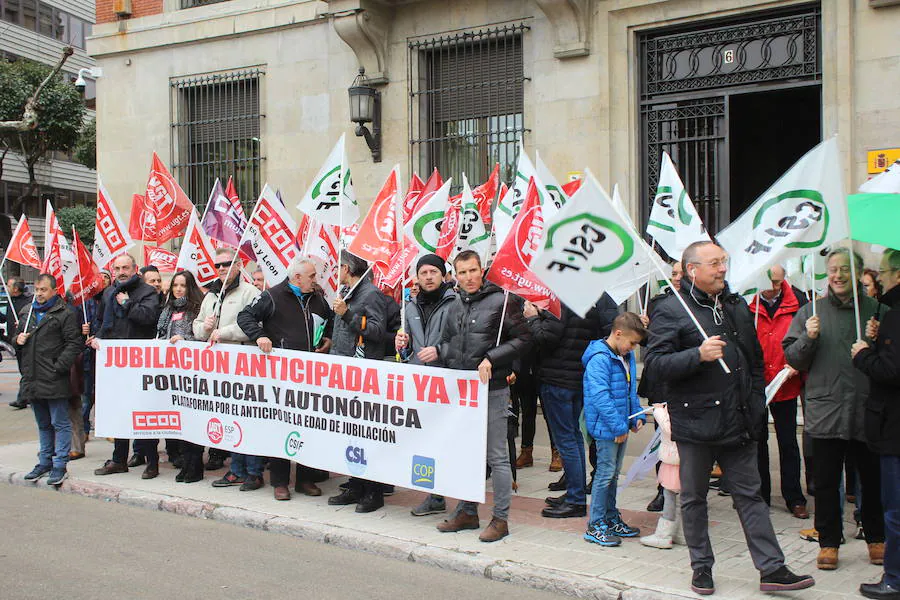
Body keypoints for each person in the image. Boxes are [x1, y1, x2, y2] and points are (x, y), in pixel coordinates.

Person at [645, 240, 814, 595]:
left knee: (750, 496)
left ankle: (772, 568)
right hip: (694, 423)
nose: (723, 269)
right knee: (693, 498)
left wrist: (755, 403)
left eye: (724, 262)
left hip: (737, 420)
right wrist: (697, 355)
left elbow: (753, 361)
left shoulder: (736, 305)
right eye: (715, 264)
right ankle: (701, 568)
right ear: (693, 270)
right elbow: (657, 367)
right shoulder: (670, 309)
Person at [783, 247, 883, 571]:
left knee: (871, 479)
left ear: (857, 274)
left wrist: (879, 341)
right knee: (825, 482)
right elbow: (793, 359)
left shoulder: (877, 312)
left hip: (867, 409)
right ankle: (828, 542)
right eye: (833, 269)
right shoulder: (810, 312)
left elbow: (891, 363)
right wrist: (809, 338)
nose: (838, 275)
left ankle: (876, 537)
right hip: (826, 411)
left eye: (845, 270)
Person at [433, 250, 531, 542]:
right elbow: (448, 342)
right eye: (462, 273)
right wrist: (442, 356)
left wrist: (491, 358)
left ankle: (500, 519)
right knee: (466, 453)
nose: (468, 278)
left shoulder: (502, 300)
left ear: (482, 270)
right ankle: (467, 512)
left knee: (497, 456)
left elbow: (525, 339)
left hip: (494, 389)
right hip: (463, 392)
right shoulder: (454, 304)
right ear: (456, 275)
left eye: (473, 270)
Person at [238, 258, 333, 501]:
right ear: (296, 277)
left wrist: (328, 338)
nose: (316, 280)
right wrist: (259, 336)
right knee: (282, 427)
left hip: (310, 374)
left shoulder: (317, 297)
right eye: (311, 276)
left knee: (308, 426)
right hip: (281, 376)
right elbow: (245, 317)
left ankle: (305, 479)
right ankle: (280, 482)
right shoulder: (273, 296)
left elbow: (330, 321)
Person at [528, 299, 607, 519]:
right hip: (575, 377)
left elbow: (546, 338)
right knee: (573, 437)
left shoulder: (560, 303)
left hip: (557, 379)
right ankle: (576, 491)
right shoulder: (589, 303)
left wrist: (533, 318)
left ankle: (575, 500)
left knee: (567, 441)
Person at [852, 248, 900, 599]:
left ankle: (894, 579)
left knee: (895, 509)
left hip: (894, 427)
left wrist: (863, 353)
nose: (880, 277)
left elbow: (890, 371)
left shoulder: (896, 314)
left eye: (884, 271)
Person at [327, 251, 391, 512]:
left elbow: (376, 331)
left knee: (366, 432)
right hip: (344, 368)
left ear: (347, 267)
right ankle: (355, 483)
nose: (334, 271)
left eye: (337, 267)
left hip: (363, 371)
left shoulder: (371, 293)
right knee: (350, 433)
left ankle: (373, 491)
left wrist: (347, 314)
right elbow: (343, 329)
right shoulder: (347, 290)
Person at [395, 253, 457, 517]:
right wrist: (402, 345)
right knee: (426, 442)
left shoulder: (455, 302)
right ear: (417, 278)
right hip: (420, 384)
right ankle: (435, 496)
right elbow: (407, 351)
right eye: (424, 272)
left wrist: (441, 351)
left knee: (451, 442)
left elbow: (466, 342)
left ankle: (463, 499)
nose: (429, 276)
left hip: (449, 382)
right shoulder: (409, 306)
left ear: (443, 275)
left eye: (434, 271)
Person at [194, 248, 262, 483]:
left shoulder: (250, 292)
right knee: (230, 418)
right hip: (218, 367)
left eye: (226, 264)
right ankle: (236, 469)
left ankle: (253, 472)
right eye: (217, 265)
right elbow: (198, 325)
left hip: (244, 364)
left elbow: (254, 325)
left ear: (239, 265)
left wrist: (223, 332)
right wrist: (204, 329)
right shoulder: (211, 295)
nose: (221, 269)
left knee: (247, 419)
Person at [91, 254, 161, 478]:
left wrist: (127, 303)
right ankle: (118, 459)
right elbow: (101, 322)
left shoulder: (146, 292)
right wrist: (96, 338)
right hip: (115, 366)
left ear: (135, 269)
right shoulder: (110, 292)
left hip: (140, 364)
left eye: (125, 268)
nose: (121, 272)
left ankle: (152, 461)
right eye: (117, 268)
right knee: (118, 412)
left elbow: (148, 317)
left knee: (143, 412)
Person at [581, 312, 646, 546]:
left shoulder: (623, 357)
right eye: (632, 343)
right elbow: (600, 396)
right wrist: (618, 425)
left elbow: (629, 391)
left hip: (619, 426)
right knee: (604, 475)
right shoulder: (600, 359)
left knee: (612, 474)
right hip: (607, 427)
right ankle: (595, 524)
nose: (633, 348)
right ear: (618, 334)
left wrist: (635, 415)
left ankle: (610, 517)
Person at [749, 265, 808, 518]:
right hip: (757, 383)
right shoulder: (747, 303)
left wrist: (798, 362)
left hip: (785, 383)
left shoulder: (798, 302)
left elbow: (806, 340)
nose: (772, 288)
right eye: (768, 282)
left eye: (776, 282)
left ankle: (794, 496)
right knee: (758, 441)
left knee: (787, 442)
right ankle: (761, 495)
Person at [17, 273, 84, 486]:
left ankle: (59, 464)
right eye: (37, 290)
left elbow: (74, 343)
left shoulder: (64, 313)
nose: (39, 294)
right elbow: (17, 337)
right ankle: (44, 461)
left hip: (54, 377)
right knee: (43, 423)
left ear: (54, 291)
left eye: (44, 290)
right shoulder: (27, 312)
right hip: (33, 378)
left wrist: (58, 367)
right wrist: (17, 339)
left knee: (59, 422)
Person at [640, 260, 683, 513]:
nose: (676, 277)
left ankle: (688, 489)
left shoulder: (700, 305)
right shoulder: (658, 303)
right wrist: (644, 331)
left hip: (688, 383)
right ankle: (662, 490)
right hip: (661, 384)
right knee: (662, 439)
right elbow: (652, 347)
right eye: (673, 273)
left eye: (680, 273)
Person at [157, 270, 206, 483]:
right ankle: (185, 463)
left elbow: (201, 338)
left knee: (193, 421)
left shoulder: (196, 308)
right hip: (172, 372)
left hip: (192, 373)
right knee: (180, 422)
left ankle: (195, 466)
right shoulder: (168, 309)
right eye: (175, 285)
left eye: (182, 285)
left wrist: (184, 339)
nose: (178, 289)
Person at [640, 403, 682, 549]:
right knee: (684, 498)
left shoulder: (680, 401)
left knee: (670, 496)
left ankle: (664, 535)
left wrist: (658, 412)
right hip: (685, 458)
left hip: (674, 458)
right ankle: (682, 533)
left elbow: (670, 428)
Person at [7, 277, 33, 409]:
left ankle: (22, 399)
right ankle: (28, 395)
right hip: (15, 341)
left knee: (26, 370)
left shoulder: (28, 301)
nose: (7, 287)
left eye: (9, 285)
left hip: (26, 342)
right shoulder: (10, 301)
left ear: (16, 288)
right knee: (23, 371)